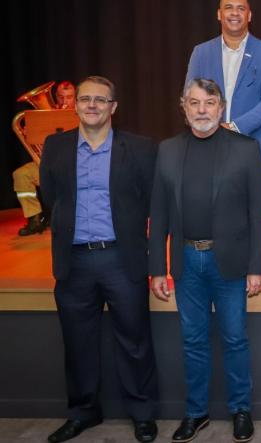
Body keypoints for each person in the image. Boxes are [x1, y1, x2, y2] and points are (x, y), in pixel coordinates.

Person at [149, 78, 261, 443]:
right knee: (193, 341)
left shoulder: (246, 149)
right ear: (183, 108)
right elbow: (158, 211)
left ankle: (240, 410)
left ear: (221, 107)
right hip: (186, 262)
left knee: (235, 340)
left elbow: (258, 213)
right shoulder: (167, 151)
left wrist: (257, 265)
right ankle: (195, 413)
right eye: (195, 103)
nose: (202, 110)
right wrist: (157, 267)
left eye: (210, 103)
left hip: (230, 263)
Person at [39, 76, 158, 443]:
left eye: (100, 100)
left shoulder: (139, 148)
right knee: (78, 342)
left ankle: (142, 414)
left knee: (135, 340)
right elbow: (49, 198)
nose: (92, 105)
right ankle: (82, 413)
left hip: (121, 259)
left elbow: (153, 200)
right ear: (75, 106)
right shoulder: (55, 147)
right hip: (73, 262)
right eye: (86, 99)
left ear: (113, 107)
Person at [186, 0, 261, 162]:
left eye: (241, 8)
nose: (234, 13)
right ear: (219, 14)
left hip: (254, 145)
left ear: (249, 15)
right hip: (208, 144)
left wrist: (234, 127)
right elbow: (190, 98)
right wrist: (210, 128)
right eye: (228, 8)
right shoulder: (201, 52)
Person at [14, 80, 76, 236]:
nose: (64, 101)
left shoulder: (82, 114)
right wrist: (31, 132)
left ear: (75, 98)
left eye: (69, 97)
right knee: (21, 175)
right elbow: (36, 142)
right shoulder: (44, 117)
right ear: (55, 97)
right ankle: (34, 219)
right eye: (61, 97)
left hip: (76, 166)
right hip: (49, 164)